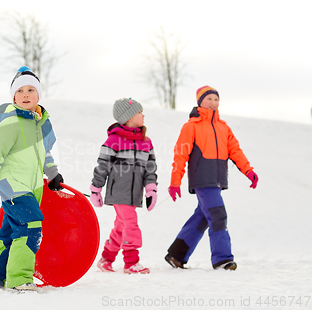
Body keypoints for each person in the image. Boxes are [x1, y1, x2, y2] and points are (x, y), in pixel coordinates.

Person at [0, 66, 64, 292]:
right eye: (20, 91)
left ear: (38, 95)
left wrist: (52, 172)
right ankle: (19, 279)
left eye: (31, 90)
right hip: (14, 187)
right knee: (30, 227)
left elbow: (46, 153)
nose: (25, 95)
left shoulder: (42, 125)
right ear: (13, 96)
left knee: (9, 235)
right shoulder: (10, 123)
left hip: (33, 188)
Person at [165, 86, 259, 271]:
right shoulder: (191, 126)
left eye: (216, 99)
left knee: (201, 217)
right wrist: (175, 182)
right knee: (217, 214)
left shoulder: (223, 127)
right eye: (209, 99)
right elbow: (180, 155)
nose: (213, 103)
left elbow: (235, 151)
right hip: (202, 180)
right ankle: (223, 259)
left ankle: (176, 255)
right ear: (200, 102)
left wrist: (248, 171)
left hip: (217, 180)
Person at [90, 98, 158, 274]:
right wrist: (96, 189)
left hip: (135, 193)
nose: (143, 115)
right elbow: (102, 166)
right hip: (118, 191)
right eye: (139, 112)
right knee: (130, 223)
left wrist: (151, 189)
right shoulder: (113, 140)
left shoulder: (146, 142)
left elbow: (150, 168)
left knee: (121, 227)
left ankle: (106, 259)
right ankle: (131, 262)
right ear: (128, 117)